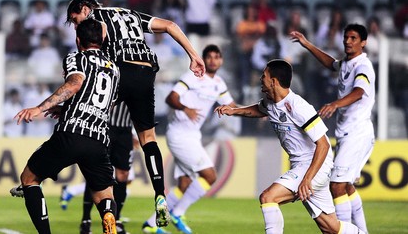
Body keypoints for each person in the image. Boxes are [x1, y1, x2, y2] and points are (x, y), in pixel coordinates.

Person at [66, 0, 206, 228]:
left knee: (86, 110)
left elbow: (93, 48)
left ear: (84, 8)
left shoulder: (95, 17)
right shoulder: (131, 14)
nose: (76, 25)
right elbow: (170, 26)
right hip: (145, 73)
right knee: (148, 138)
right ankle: (160, 194)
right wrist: (194, 55)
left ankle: (42, 171)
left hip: (122, 71)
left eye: (74, 19)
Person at [215, 59, 364, 234]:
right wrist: (233, 111)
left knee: (268, 197)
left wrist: (307, 179)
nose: (261, 79)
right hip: (305, 168)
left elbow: (323, 145)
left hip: (313, 167)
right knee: (331, 227)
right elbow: (259, 110)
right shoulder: (270, 102)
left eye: (264, 76)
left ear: (273, 81)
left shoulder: (298, 107)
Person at [11, 18, 121, 234]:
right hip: (98, 139)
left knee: (29, 179)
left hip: (71, 134)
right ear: (102, 39)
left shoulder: (76, 57)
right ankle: (108, 216)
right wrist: (67, 109)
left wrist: (40, 108)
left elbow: (75, 83)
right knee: (104, 194)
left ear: (78, 40)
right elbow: (109, 102)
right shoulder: (114, 69)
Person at [142, 45, 236, 234]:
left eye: (217, 57)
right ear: (203, 59)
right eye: (209, 57)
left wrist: (256, 110)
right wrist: (186, 108)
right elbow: (171, 98)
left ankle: (151, 225)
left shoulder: (219, 83)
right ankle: (178, 213)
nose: (213, 60)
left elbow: (232, 107)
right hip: (179, 135)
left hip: (193, 135)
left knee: (184, 184)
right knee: (209, 176)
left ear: (221, 61)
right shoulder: (192, 76)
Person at [290, 24, 374, 233]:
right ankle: (362, 230)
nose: (348, 41)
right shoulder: (346, 62)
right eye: (346, 37)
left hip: (357, 133)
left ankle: (345, 231)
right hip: (348, 133)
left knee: (336, 186)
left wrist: (335, 104)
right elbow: (331, 63)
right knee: (346, 186)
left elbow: (359, 91)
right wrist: (307, 44)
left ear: (363, 42)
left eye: (353, 38)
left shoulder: (363, 66)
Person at [60, 102, 134, 234]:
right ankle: (86, 220)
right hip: (105, 126)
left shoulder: (142, 81)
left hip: (126, 130)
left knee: (123, 174)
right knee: (96, 172)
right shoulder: (115, 80)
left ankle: (116, 220)